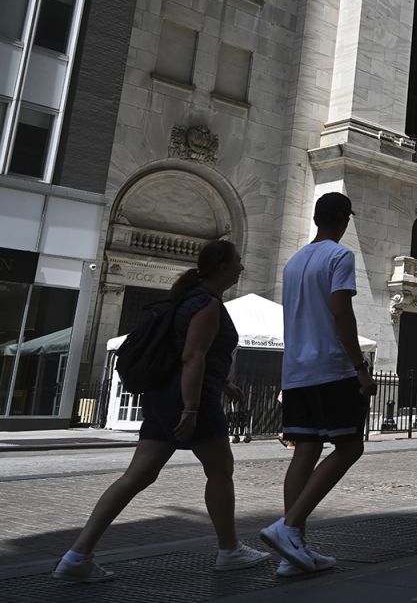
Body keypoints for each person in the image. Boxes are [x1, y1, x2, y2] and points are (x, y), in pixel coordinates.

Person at [54, 241, 270, 582]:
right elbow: (192, 356)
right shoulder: (207, 303)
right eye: (238, 262)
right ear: (222, 267)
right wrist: (192, 408)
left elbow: (186, 351)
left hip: (161, 396)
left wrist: (223, 383)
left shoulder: (186, 298)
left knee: (137, 475)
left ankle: (77, 555)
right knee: (220, 469)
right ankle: (230, 550)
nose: (241, 268)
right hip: (189, 397)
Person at [260, 193, 375, 576]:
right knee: (349, 446)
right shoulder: (339, 257)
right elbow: (341, 311)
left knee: (305, 451)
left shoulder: (293, 263)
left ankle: (293, 550)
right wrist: (360, 366)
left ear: (315, 217)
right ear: (343, 221)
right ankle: (289, 527)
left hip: (296, 370)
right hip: (330, 368)